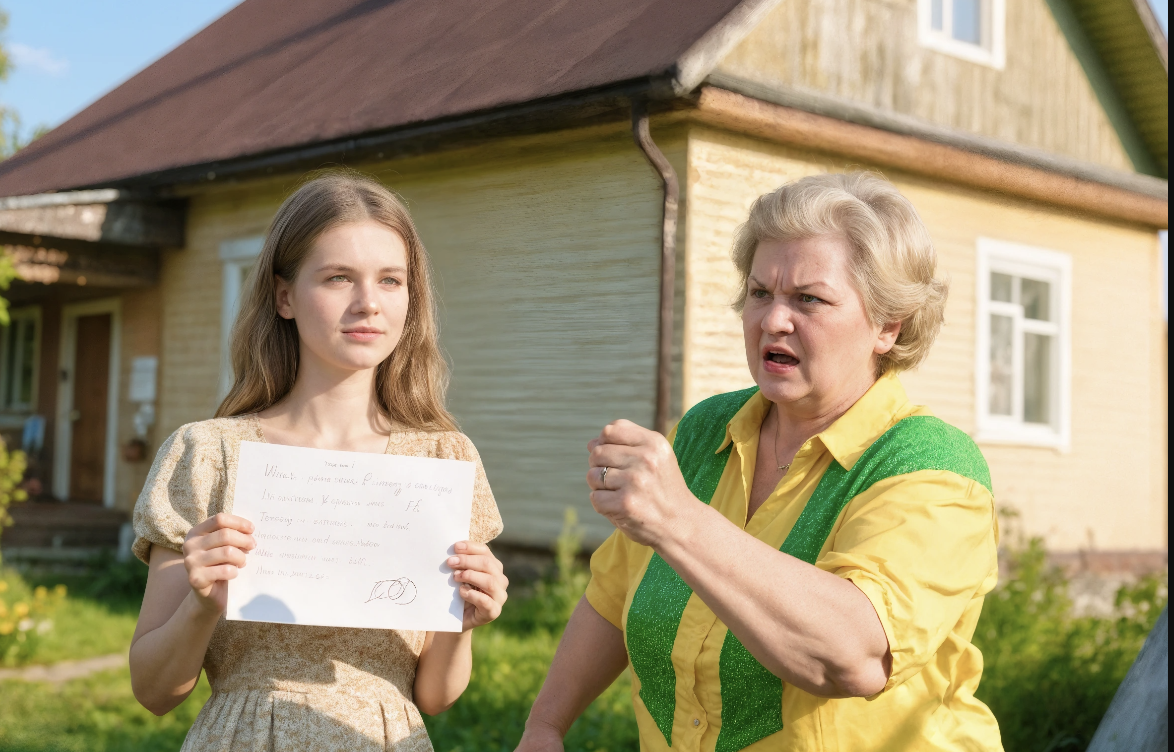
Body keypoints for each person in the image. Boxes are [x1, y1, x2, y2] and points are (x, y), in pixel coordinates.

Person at [518, 172, 1003, 751]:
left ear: (887, 326)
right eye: (760, 293)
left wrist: (678, 520)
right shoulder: (705, 431)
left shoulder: (932, 467)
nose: (773, 320)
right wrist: (545, 725)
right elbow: (614, 592)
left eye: (809, 299)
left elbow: (852, 656)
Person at [129, 172, 508, 751]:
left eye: (390, 280)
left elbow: (435, 696)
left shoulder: (441, 459)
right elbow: (154, 691)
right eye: (338, 278)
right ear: (284, 296)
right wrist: (201, 606)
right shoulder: (209, 454)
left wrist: (464, 622)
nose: (369, 303)